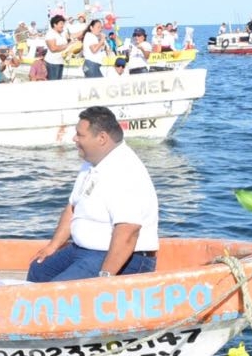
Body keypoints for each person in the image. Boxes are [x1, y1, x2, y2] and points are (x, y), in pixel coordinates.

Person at [27, 106, 159, 283]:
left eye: (80, 135)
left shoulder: (125, 171)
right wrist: (53, 246)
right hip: (82, 250)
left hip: (124, 258)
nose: (74, 139)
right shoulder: (92, 163)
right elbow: (72, 208)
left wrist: (105, 277)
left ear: (102, 138)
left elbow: (128, 231)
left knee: (60, 290)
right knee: (39, 270)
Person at [43, 13, 69, 80]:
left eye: (63, 24)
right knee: (53, 84)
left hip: (60, 61)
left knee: (59, 83)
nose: (62, 25)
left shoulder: (62, 33)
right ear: (55, 24)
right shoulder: (50, 34)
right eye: (61, 24)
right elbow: (53, 48)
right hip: (52, 63)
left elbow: (72, 36)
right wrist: (67, 46)